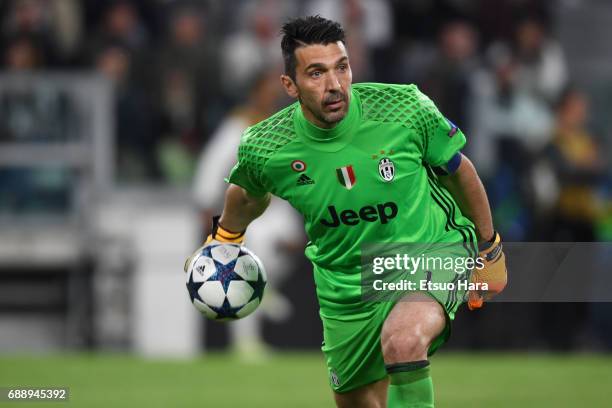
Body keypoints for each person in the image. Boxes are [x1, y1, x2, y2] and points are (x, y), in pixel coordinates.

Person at [188, 16, 507, 407]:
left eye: (342, 67)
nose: (335, 84)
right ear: (290, 85)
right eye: (317, 73)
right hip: (345, 284)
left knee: (404, 341)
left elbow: (461, 173)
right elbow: (246, 194)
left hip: (428, 249)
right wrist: (224, 239)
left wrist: (489, 248)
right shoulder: (265, 146)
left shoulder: (404, 108)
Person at [192, 71, 302, 358]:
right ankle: (246, 343)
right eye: (266, 88)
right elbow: (212, 165)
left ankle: (267, 291)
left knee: (295, 241)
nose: (271, 94)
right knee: (252, 265)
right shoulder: (237, 123)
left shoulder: (282, 123)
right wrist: (206, 206)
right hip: (245, 208)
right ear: (254, 92)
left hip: (277, 206)